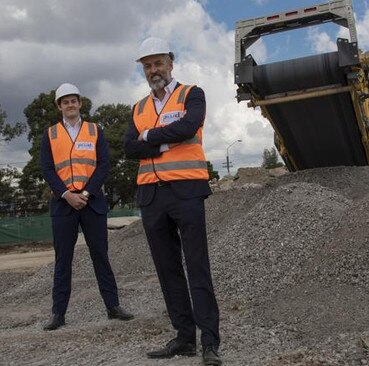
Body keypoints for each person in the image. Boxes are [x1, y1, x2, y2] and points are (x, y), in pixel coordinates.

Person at [123, 37, 222, 365]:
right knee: (167, 270)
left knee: (197, 267)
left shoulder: (191, 94)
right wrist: (166, 143)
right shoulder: (138, 108)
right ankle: (184, 338)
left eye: (159, 63)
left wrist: (149, 138)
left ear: (171, 63)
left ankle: (209, 341)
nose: (154, 70)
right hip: (151, 196)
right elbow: (129, 148)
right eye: (147, 65)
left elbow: (189, 126)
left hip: (186, 191)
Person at [40, 82, 134, 331]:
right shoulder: (50, 134)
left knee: (100, 256)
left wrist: (85, 192)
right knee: (63, 261)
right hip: (63, 206)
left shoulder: (95, 130)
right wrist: (66, 195)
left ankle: (113, 306)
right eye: (65, 101)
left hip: (92, 203)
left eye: (74, 100)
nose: (70, 105)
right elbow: (47, 169)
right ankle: (58, 313)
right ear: (59, 106)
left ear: (80, 103)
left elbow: (104, 164)